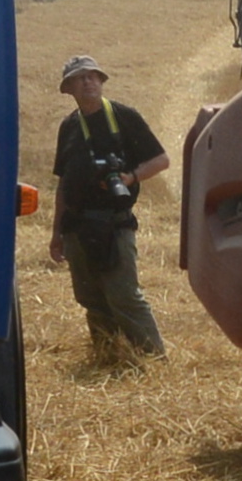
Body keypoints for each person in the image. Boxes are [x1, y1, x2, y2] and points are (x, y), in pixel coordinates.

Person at [48, 55, 171, 365]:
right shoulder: (69, 126)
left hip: (115, 223)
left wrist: (130, 177)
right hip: (77, 225)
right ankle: (108, 358)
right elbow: (64, 184)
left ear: (102, 82)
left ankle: (154, 361)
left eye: (93, 76)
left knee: (124, 296)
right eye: (80, 78)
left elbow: (161, 160)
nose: (88, 81)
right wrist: (56, 233)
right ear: (69, 89)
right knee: (91, 299)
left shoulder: (124, 116)